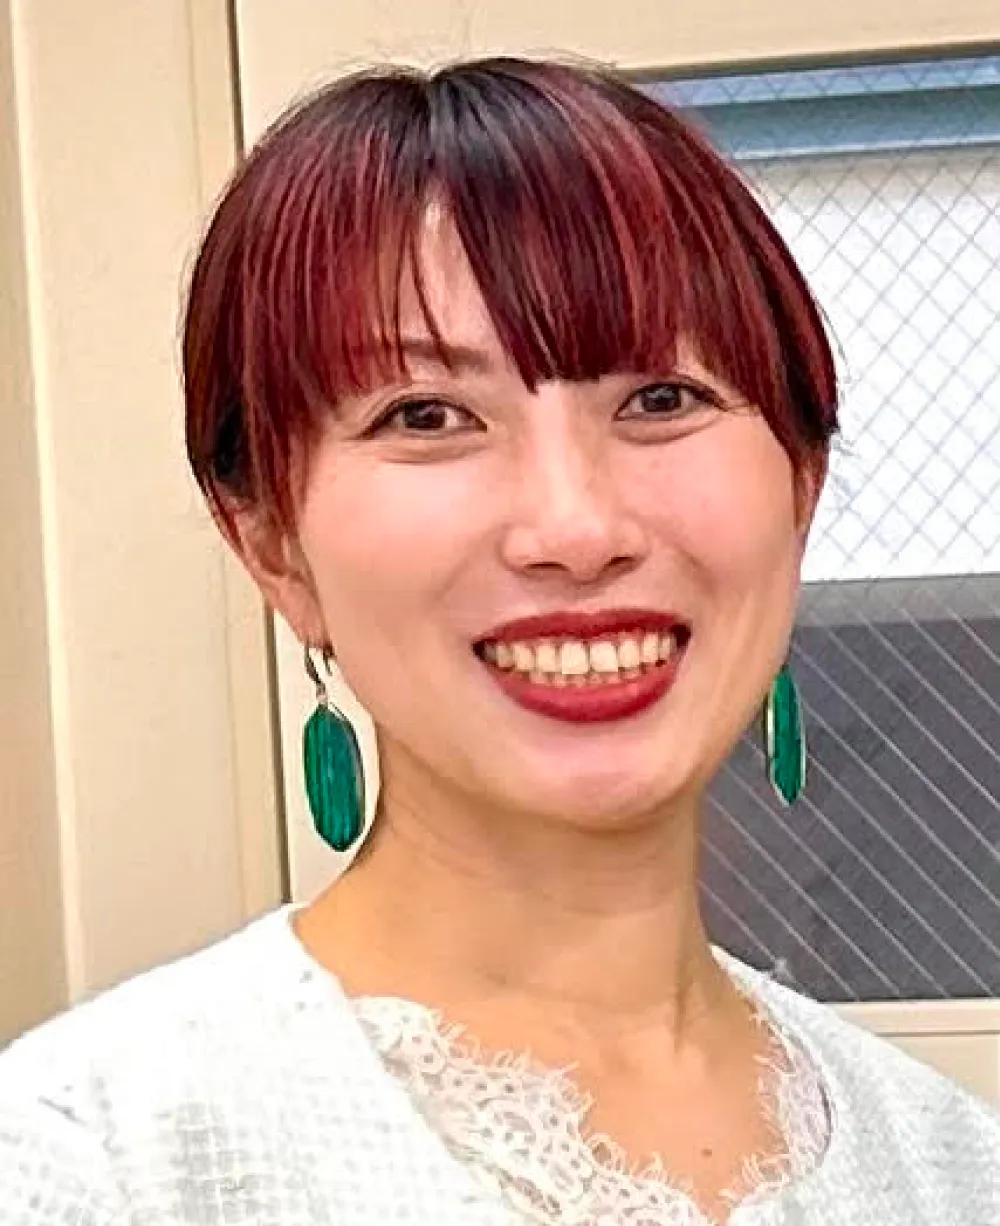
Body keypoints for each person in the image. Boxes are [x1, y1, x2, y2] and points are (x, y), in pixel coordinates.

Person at [1, 56, 997, 1226]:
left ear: (800, 485)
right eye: (427, 415)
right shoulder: (89, 1159)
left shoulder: (950, 1163)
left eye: (661, 398)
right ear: (271, 544)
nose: (576, 530)